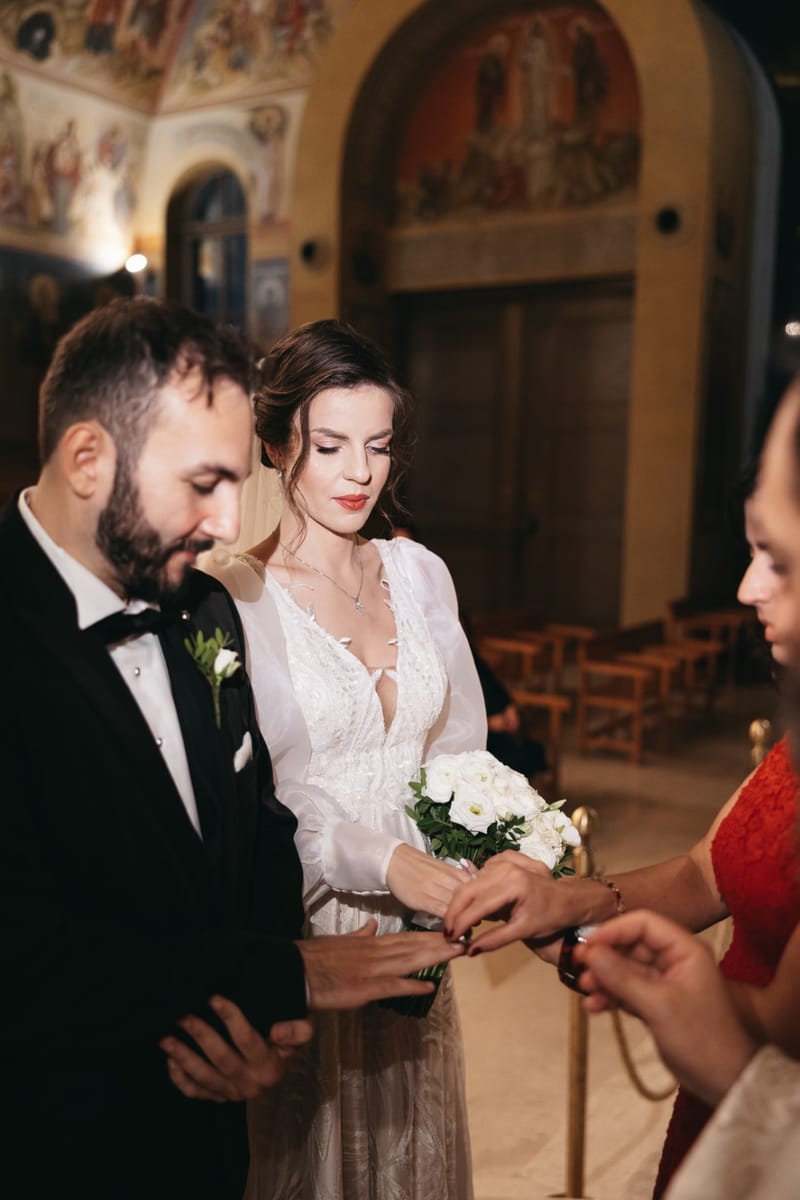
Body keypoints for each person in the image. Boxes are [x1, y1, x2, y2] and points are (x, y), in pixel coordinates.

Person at [0, 298, 466, 1200]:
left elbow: (250, 820)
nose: (223, 523)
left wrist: (258, 1007)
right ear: (88, 458)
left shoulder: (199, 609)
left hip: (212, 1137)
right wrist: (263, 978)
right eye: (202, 483)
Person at [444, 379, 800, 1198]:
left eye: (776, 557)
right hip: (721, 1105)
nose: (746, 588)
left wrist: (694, 1017)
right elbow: (703, 874)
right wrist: (570, 900)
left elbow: (781, 1035)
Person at [205, 318, 487, 1200]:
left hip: (424, 936)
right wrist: (386, 860)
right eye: (330, 446)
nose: (360, 473)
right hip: (316, 933)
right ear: (279, 441)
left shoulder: (419, 574)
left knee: (415, 1152)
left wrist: (490, 853)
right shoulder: (236, 599)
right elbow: (269, 803)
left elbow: (462, 755)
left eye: (378, 446)